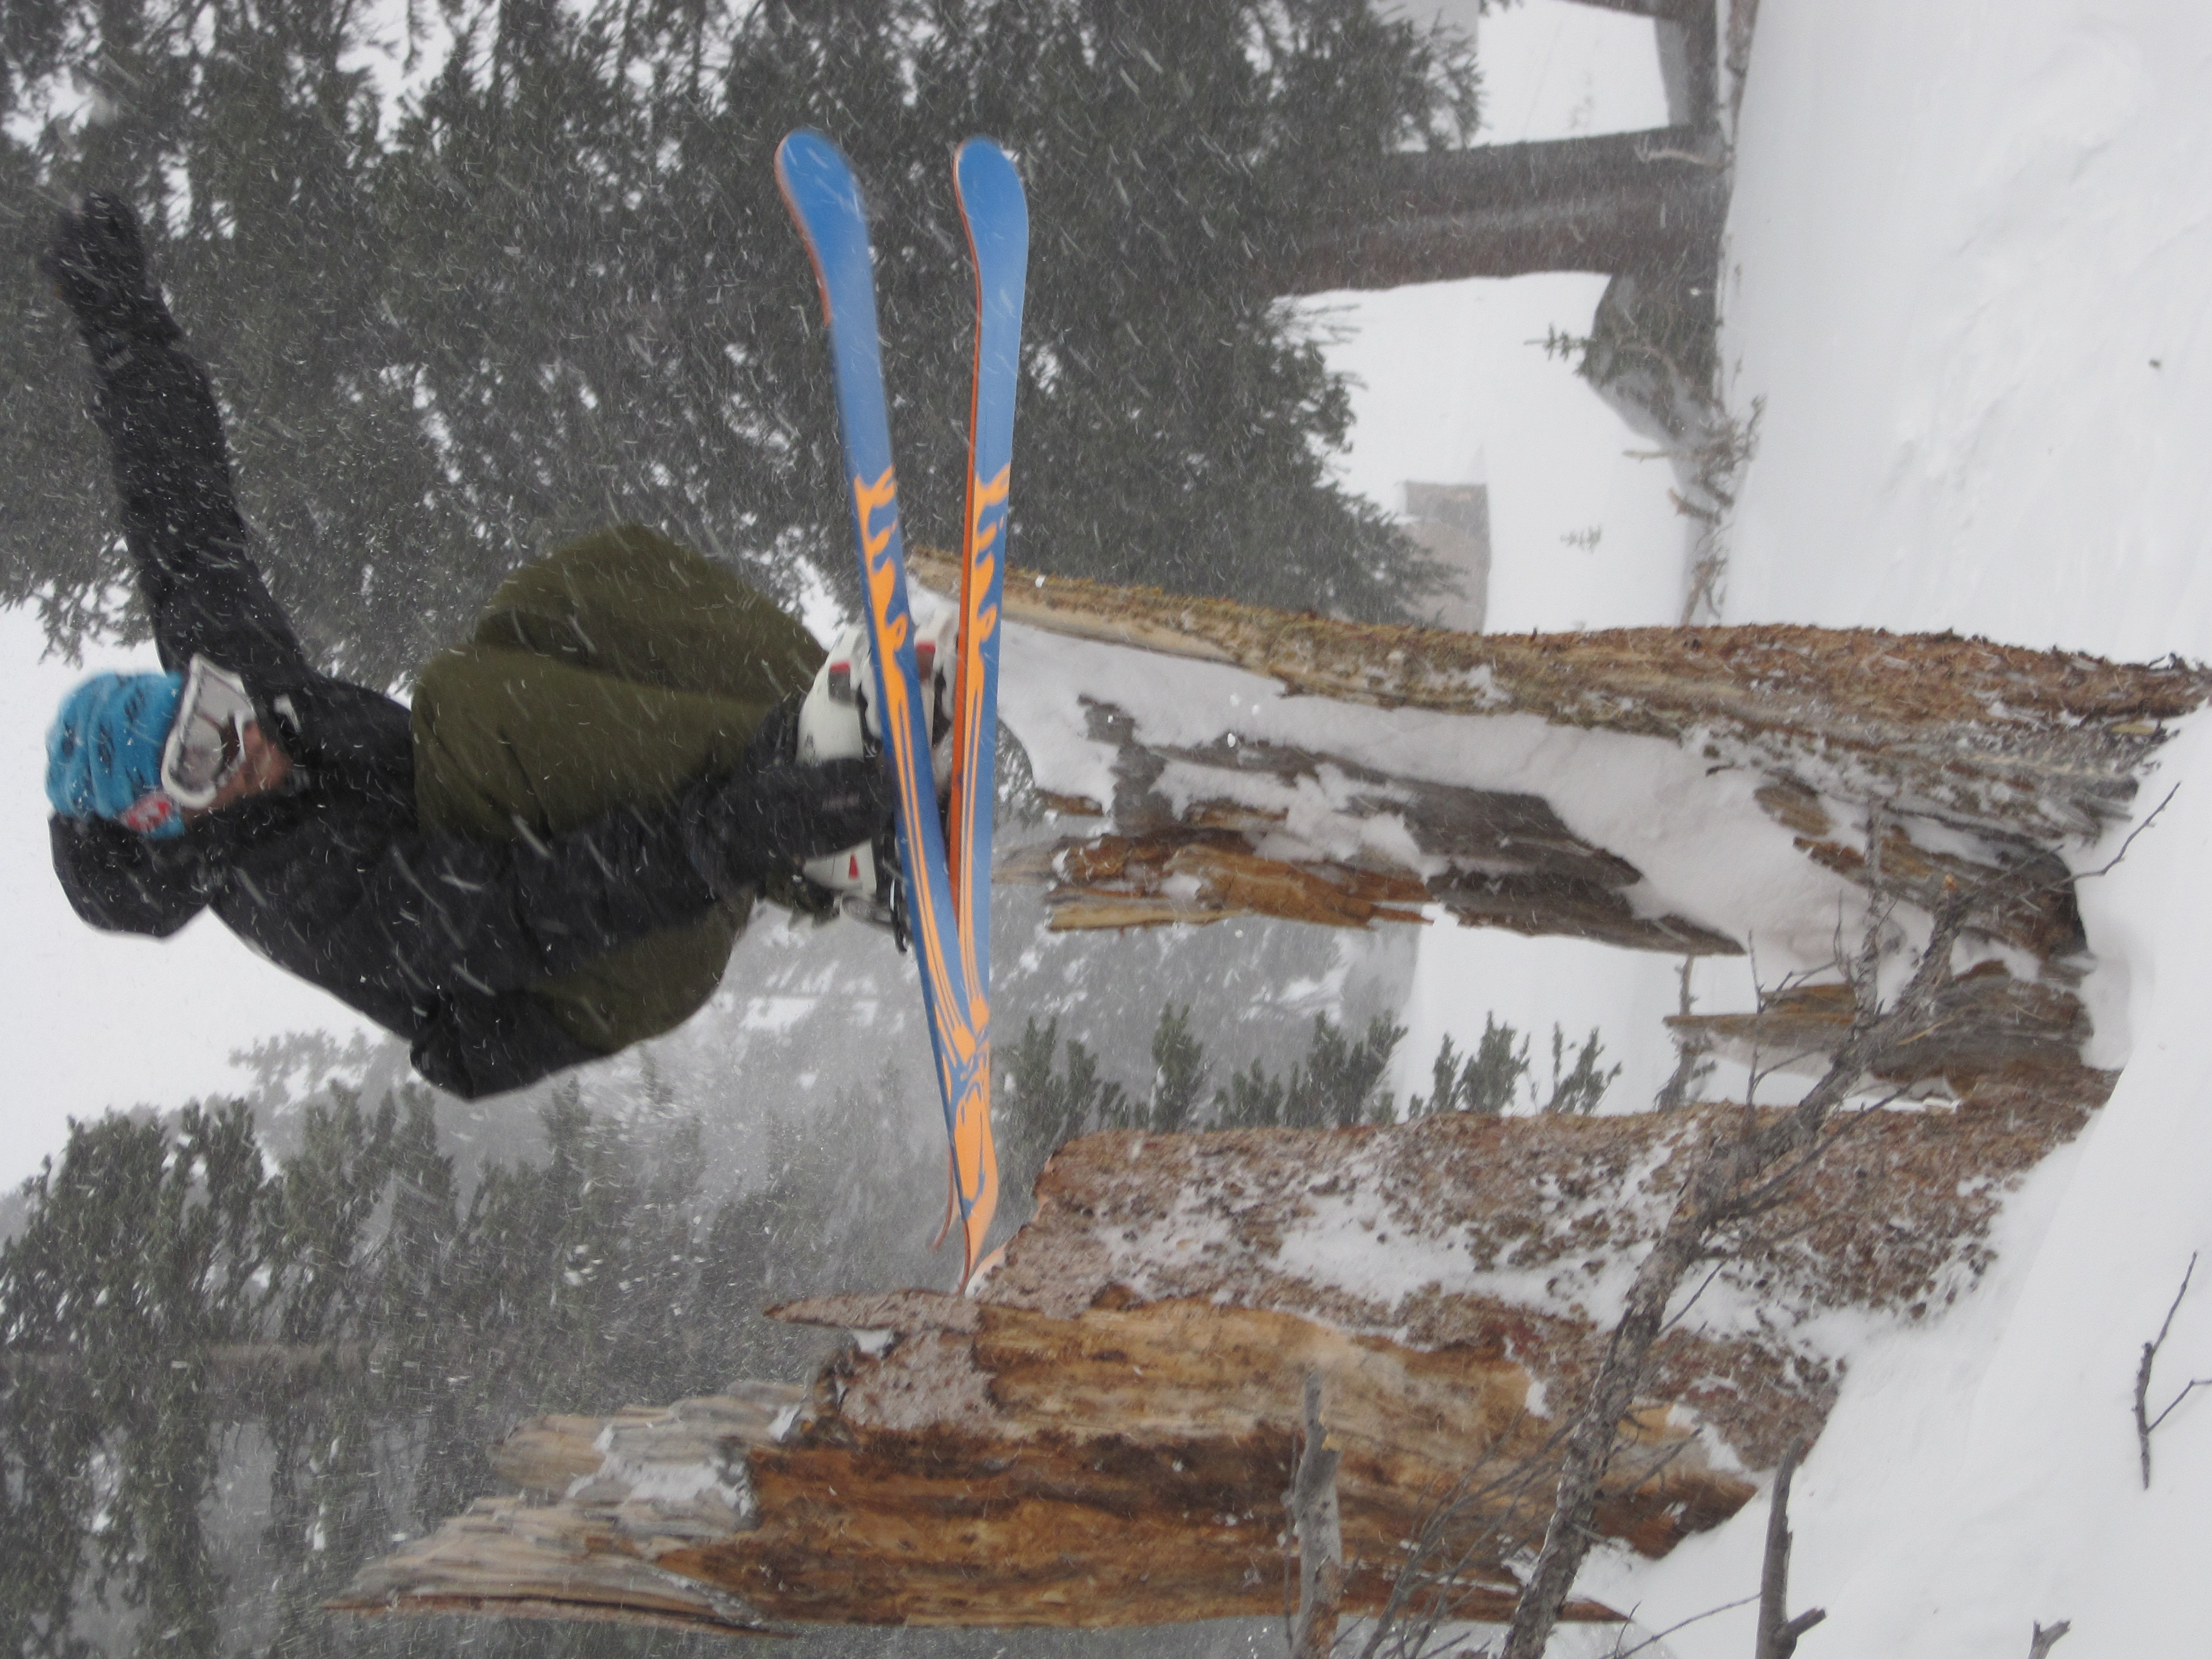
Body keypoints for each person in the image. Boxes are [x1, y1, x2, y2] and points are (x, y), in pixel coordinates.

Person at [39, 193, 896, 1099]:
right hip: (584, 968)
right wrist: (728, 835)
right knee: (467, 708)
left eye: (211, 705)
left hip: (610, 863)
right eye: (201, 758)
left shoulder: (256, 709)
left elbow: (180, 516)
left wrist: (124, 326)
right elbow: (515, 911)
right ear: (167, 818)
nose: (239, 737)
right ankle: (818, 836)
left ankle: (829, 718)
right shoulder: (293, 891)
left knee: (558, 597)